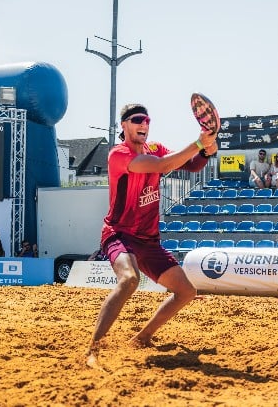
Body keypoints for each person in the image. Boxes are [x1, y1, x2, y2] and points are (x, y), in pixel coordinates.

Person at [85, 103, 218, 369]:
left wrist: (206, 151)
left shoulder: (154, 148)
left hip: (148, 239)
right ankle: (93, 351)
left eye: (146, 119)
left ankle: (142, 337)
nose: (144, 124)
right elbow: (165, 164)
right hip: (119, 234)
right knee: (130, 279)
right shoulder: (117, 155)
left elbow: (189, 167)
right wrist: (198, 142)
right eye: (137, 120)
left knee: (186, 292)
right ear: (124, 125)